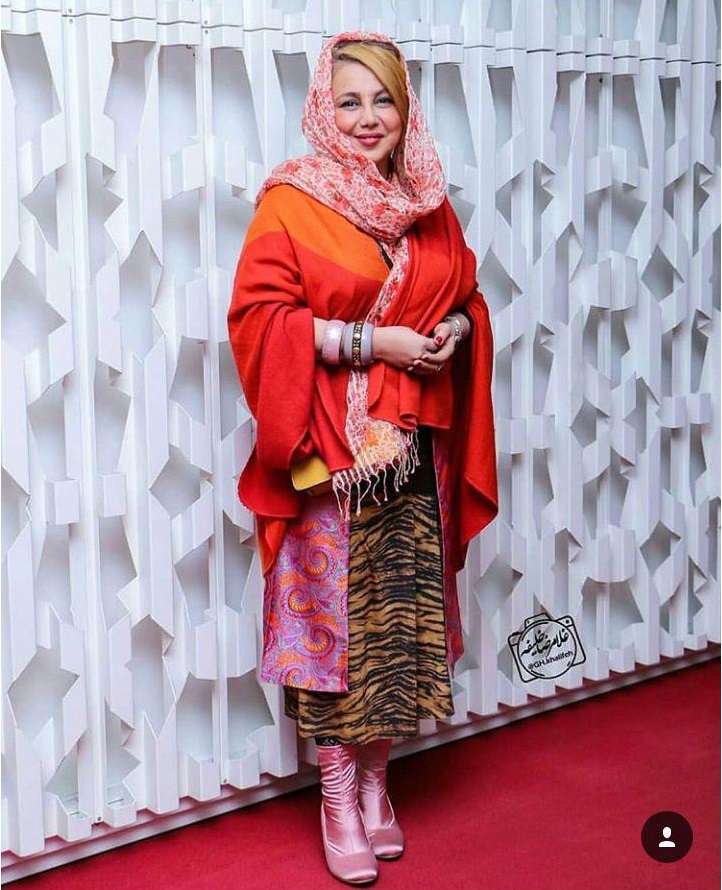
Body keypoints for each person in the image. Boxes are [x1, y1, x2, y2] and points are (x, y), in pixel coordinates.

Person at [227, 29, 498, 886]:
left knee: (399, 628)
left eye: (384, 99)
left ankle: (379, 787)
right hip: (331, 457)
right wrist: (373, 342)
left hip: (414, 453)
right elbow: (260, 321)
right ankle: (338, 797)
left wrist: (454, 331)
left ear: (406, 110)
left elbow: (466, 293)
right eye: (349, 100)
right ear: (323, 108)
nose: (368, 117)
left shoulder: (427, 202)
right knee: (330, 633)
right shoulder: (291, 202)